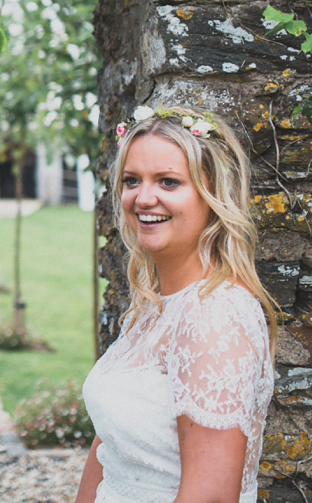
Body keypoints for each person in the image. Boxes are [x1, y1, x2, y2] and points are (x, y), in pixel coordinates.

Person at [76, 106, 276, 503]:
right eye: (132, 180)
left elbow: (212, 496)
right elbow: (110, 445)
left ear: (213, 194)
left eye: (168, 182)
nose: (143, 198)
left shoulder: (215, 316)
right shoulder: (154, 306)